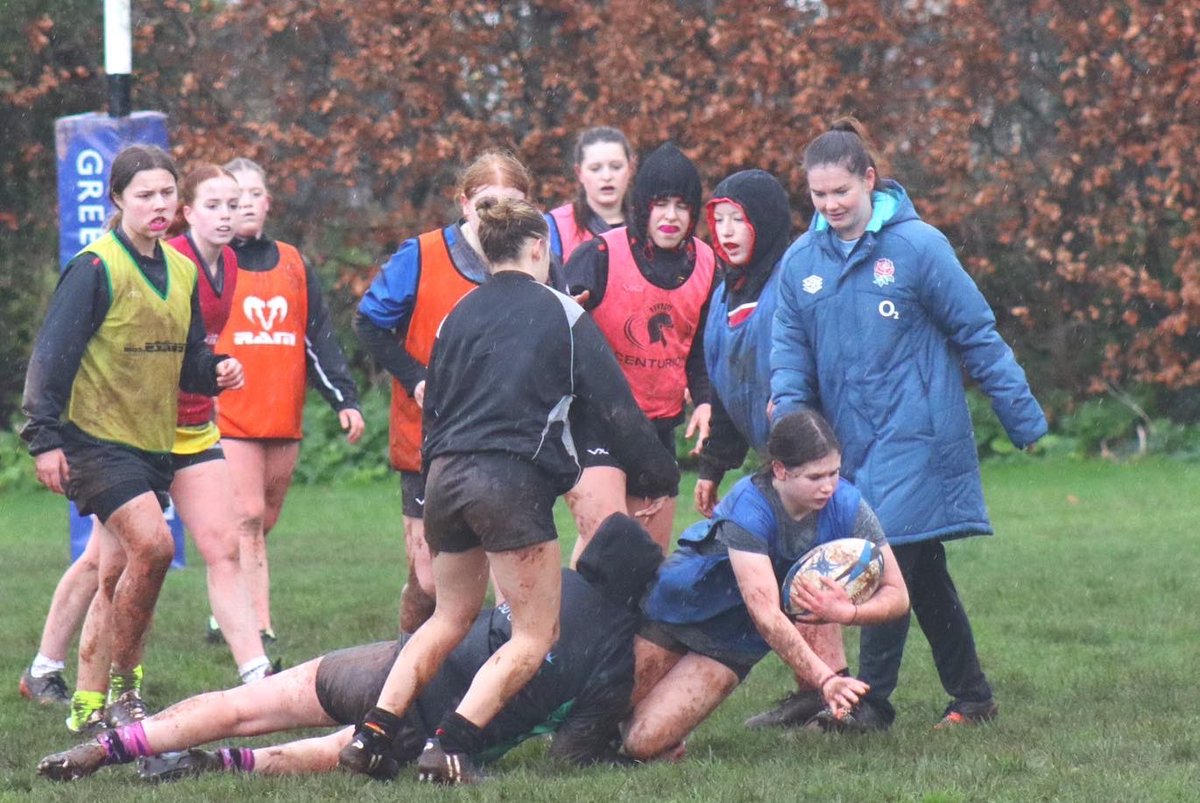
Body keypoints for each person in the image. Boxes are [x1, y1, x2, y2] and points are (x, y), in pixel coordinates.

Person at [338, 198, 679, 785]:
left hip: (442, 477)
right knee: (535, 634)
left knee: (447, 618)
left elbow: (436, 407)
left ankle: (371, 737)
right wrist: (657, 476)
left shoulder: (457, 314)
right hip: (508, 485)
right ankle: (450, 746)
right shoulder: (562, 314)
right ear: (541, 248)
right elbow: (617, 410)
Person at [770, 117, 1048, 732]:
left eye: (841, 191)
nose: (831, 205)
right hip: (847, 444)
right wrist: (790, 421)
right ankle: (972, 697)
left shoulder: (920, 247)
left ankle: (868, 703)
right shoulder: (800, 263)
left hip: (916, 437)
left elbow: (977, 333)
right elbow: (788, 352)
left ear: (869, 179)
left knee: (880, 553)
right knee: (921, 573)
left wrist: (1021, 416)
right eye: (818, 195)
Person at [35, 514, 664, 783]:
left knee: (244, 703)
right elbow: (573, 752)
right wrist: (621, 748)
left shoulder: (545, 585)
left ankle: (110, 746)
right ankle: (222, 767)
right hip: (431, 729)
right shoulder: (615, 649)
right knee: (317, 751)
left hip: (395, 669)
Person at [19, 166, 275, 726]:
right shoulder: (93, 267)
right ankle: (126, 689)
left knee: (113, 572)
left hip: (155, 442)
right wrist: (43, 440)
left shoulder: (181, 268)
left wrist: (217, 372)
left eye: (167, 193)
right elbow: (52, 357)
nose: (158, 204)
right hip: (97, 443)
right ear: (118, 200)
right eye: (145, 195)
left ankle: (87, 705)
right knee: (155, 548)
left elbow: (188, 361)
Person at [623, 410, 909, 761]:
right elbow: (766, 613)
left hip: (733, 639)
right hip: (682, 609)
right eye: (815, 476)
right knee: (600, 714)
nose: (829, 486)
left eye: (834, 472)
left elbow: (898, 595)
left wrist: (848, 612)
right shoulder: (751, 505)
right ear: (780, 470)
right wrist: (826, 680)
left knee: (642, 743)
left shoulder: (848, 505)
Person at [354, 151, 537, 635]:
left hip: (505, 436)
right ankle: (406, 659)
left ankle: (493, 684)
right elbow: (369, 324)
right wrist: (415, 375)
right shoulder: (423, 255)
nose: (499, 215)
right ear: (463, 203)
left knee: (506, 579)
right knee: (433, 583)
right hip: (428, 440)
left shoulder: (534, 261)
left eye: (512, 205)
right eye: (487, 203)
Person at [213, 157, 365, 644]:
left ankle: (224, 603)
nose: (245, 206)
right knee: (249, 516)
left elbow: (317, 338)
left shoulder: (294, 263)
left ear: (267, 203)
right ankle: (258, 624)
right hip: (231, 416)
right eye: (234, 198)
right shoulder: (210, 263)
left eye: (254, 195)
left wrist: (344, 398)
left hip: (282, 416)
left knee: (264, 519)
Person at [564, 142, 717, 554]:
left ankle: (613, 620)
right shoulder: (598, 256)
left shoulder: (707, 263)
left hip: (658, 427)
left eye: (682, 206)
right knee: (607, 547)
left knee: (644, 565)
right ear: (642, 207)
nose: (670, 217)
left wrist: (703, 400)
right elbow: (551, 334)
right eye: (660, 204)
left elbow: (702, 347)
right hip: (595, 421)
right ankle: (564, 618)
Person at [693, 169, 793, 519]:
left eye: (738, 219)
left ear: (764, 223)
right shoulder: (723, 296)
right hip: (776, 460)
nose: (726, 230)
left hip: (816, 460)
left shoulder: (791, 285)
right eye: (719, 219)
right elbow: (725, 389)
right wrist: (712, 466)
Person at [545, 126, 635, 263]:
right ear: (579, 172)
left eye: (616, 167)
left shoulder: (648, 223)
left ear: (630, 168)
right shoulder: (555, 226)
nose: (607, 176)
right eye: (595, 169)